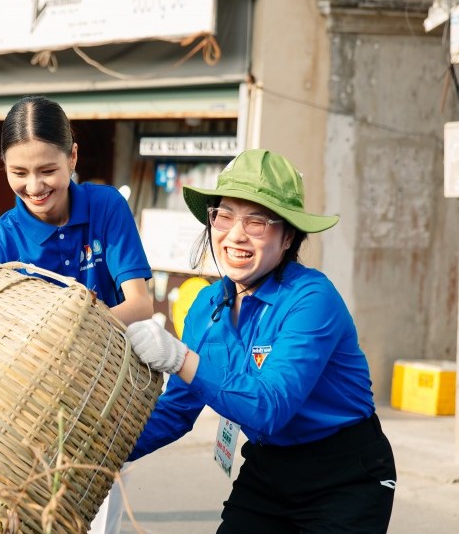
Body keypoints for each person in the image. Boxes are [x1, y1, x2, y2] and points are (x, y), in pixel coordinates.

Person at [126, 148, 396, 533]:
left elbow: (270, 406)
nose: (236, 234)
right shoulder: (206, 306)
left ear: (287, 236)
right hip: (269, 470)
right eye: (224, 215)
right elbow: (178, 409)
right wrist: (101, 452)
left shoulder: (312, 300)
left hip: (344, 477)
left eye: (257, 221)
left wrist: (181, 358)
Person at [0, 95, 153, 532]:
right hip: (24, 408)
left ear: (73, 156)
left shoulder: (106, 208)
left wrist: (72, 329)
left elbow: (140, 303)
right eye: (19, 173)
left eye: (48, 170)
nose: (34, 187)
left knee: (98, 521)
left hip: (105, 398)